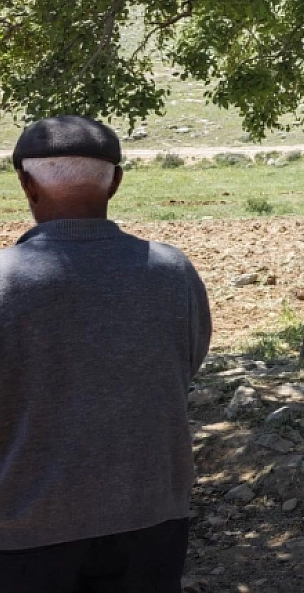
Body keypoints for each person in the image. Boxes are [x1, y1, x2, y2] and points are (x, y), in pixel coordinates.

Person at [0, 115, 212, 593]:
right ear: (115, 183)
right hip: (152, 519)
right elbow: (187, 364)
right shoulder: (173, 273)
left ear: (27, 185)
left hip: (25, 531)